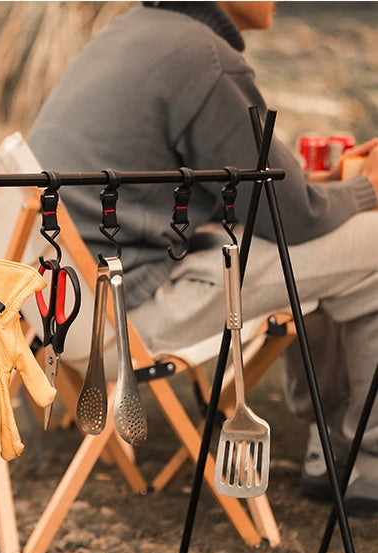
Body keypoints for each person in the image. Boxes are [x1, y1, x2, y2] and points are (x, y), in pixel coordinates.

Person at [27, 1, 378, 516]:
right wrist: (366, 188)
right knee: (366, 241)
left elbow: (242, 187)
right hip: (127, 315)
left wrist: (330, 191)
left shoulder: (128, 33)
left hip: (56, 307)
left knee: (337, 249)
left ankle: (330, 446)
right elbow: (292, 216)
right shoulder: (204, 58)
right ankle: (358, 458)